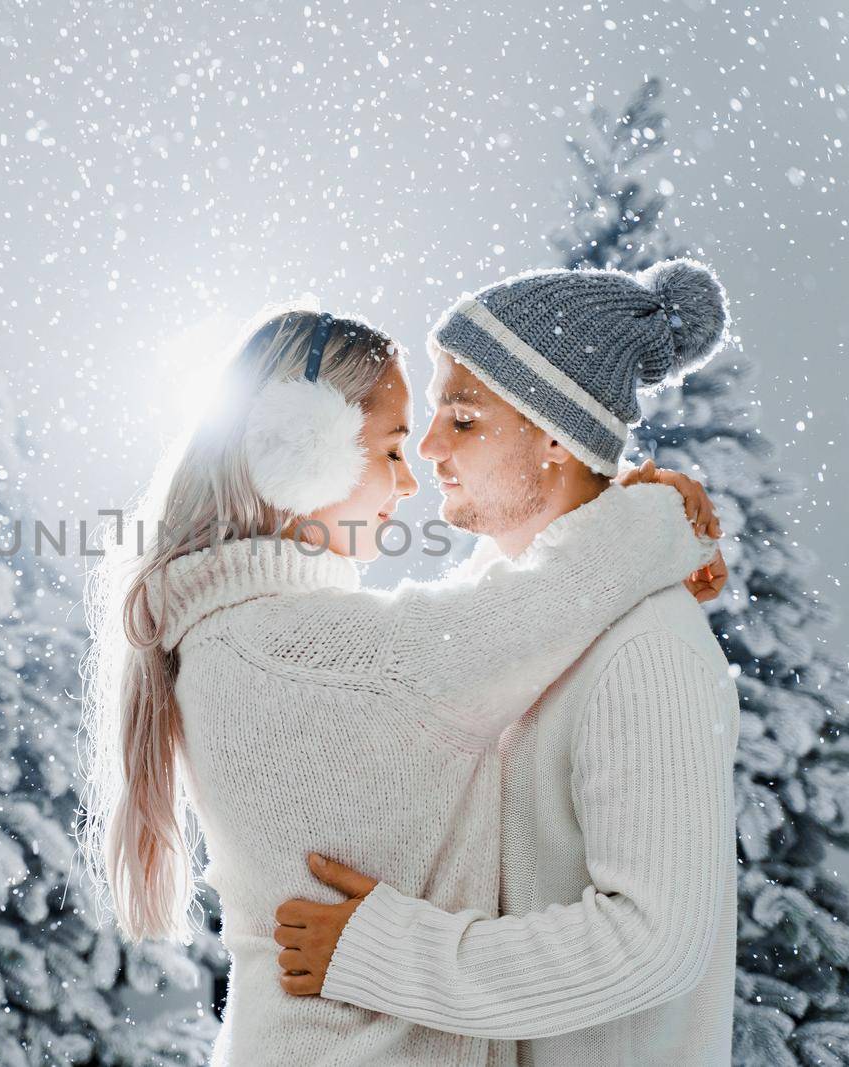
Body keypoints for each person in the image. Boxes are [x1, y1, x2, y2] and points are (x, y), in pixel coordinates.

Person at [80, 273, 724, 1065]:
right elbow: (496, 623)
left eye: (458, 419)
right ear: (300, 450)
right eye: (394, 444)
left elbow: (486, 623)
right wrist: (656, 518)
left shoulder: (246, 636)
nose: (420, 462)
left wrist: (632, 527)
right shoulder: (301, 653)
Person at [273, 260, 740, 1066]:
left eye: (462, 418)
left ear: (556, 434)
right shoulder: (502, 615)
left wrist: (386, 952)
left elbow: (656, 940)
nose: (426, 446)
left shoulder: (645, 650)